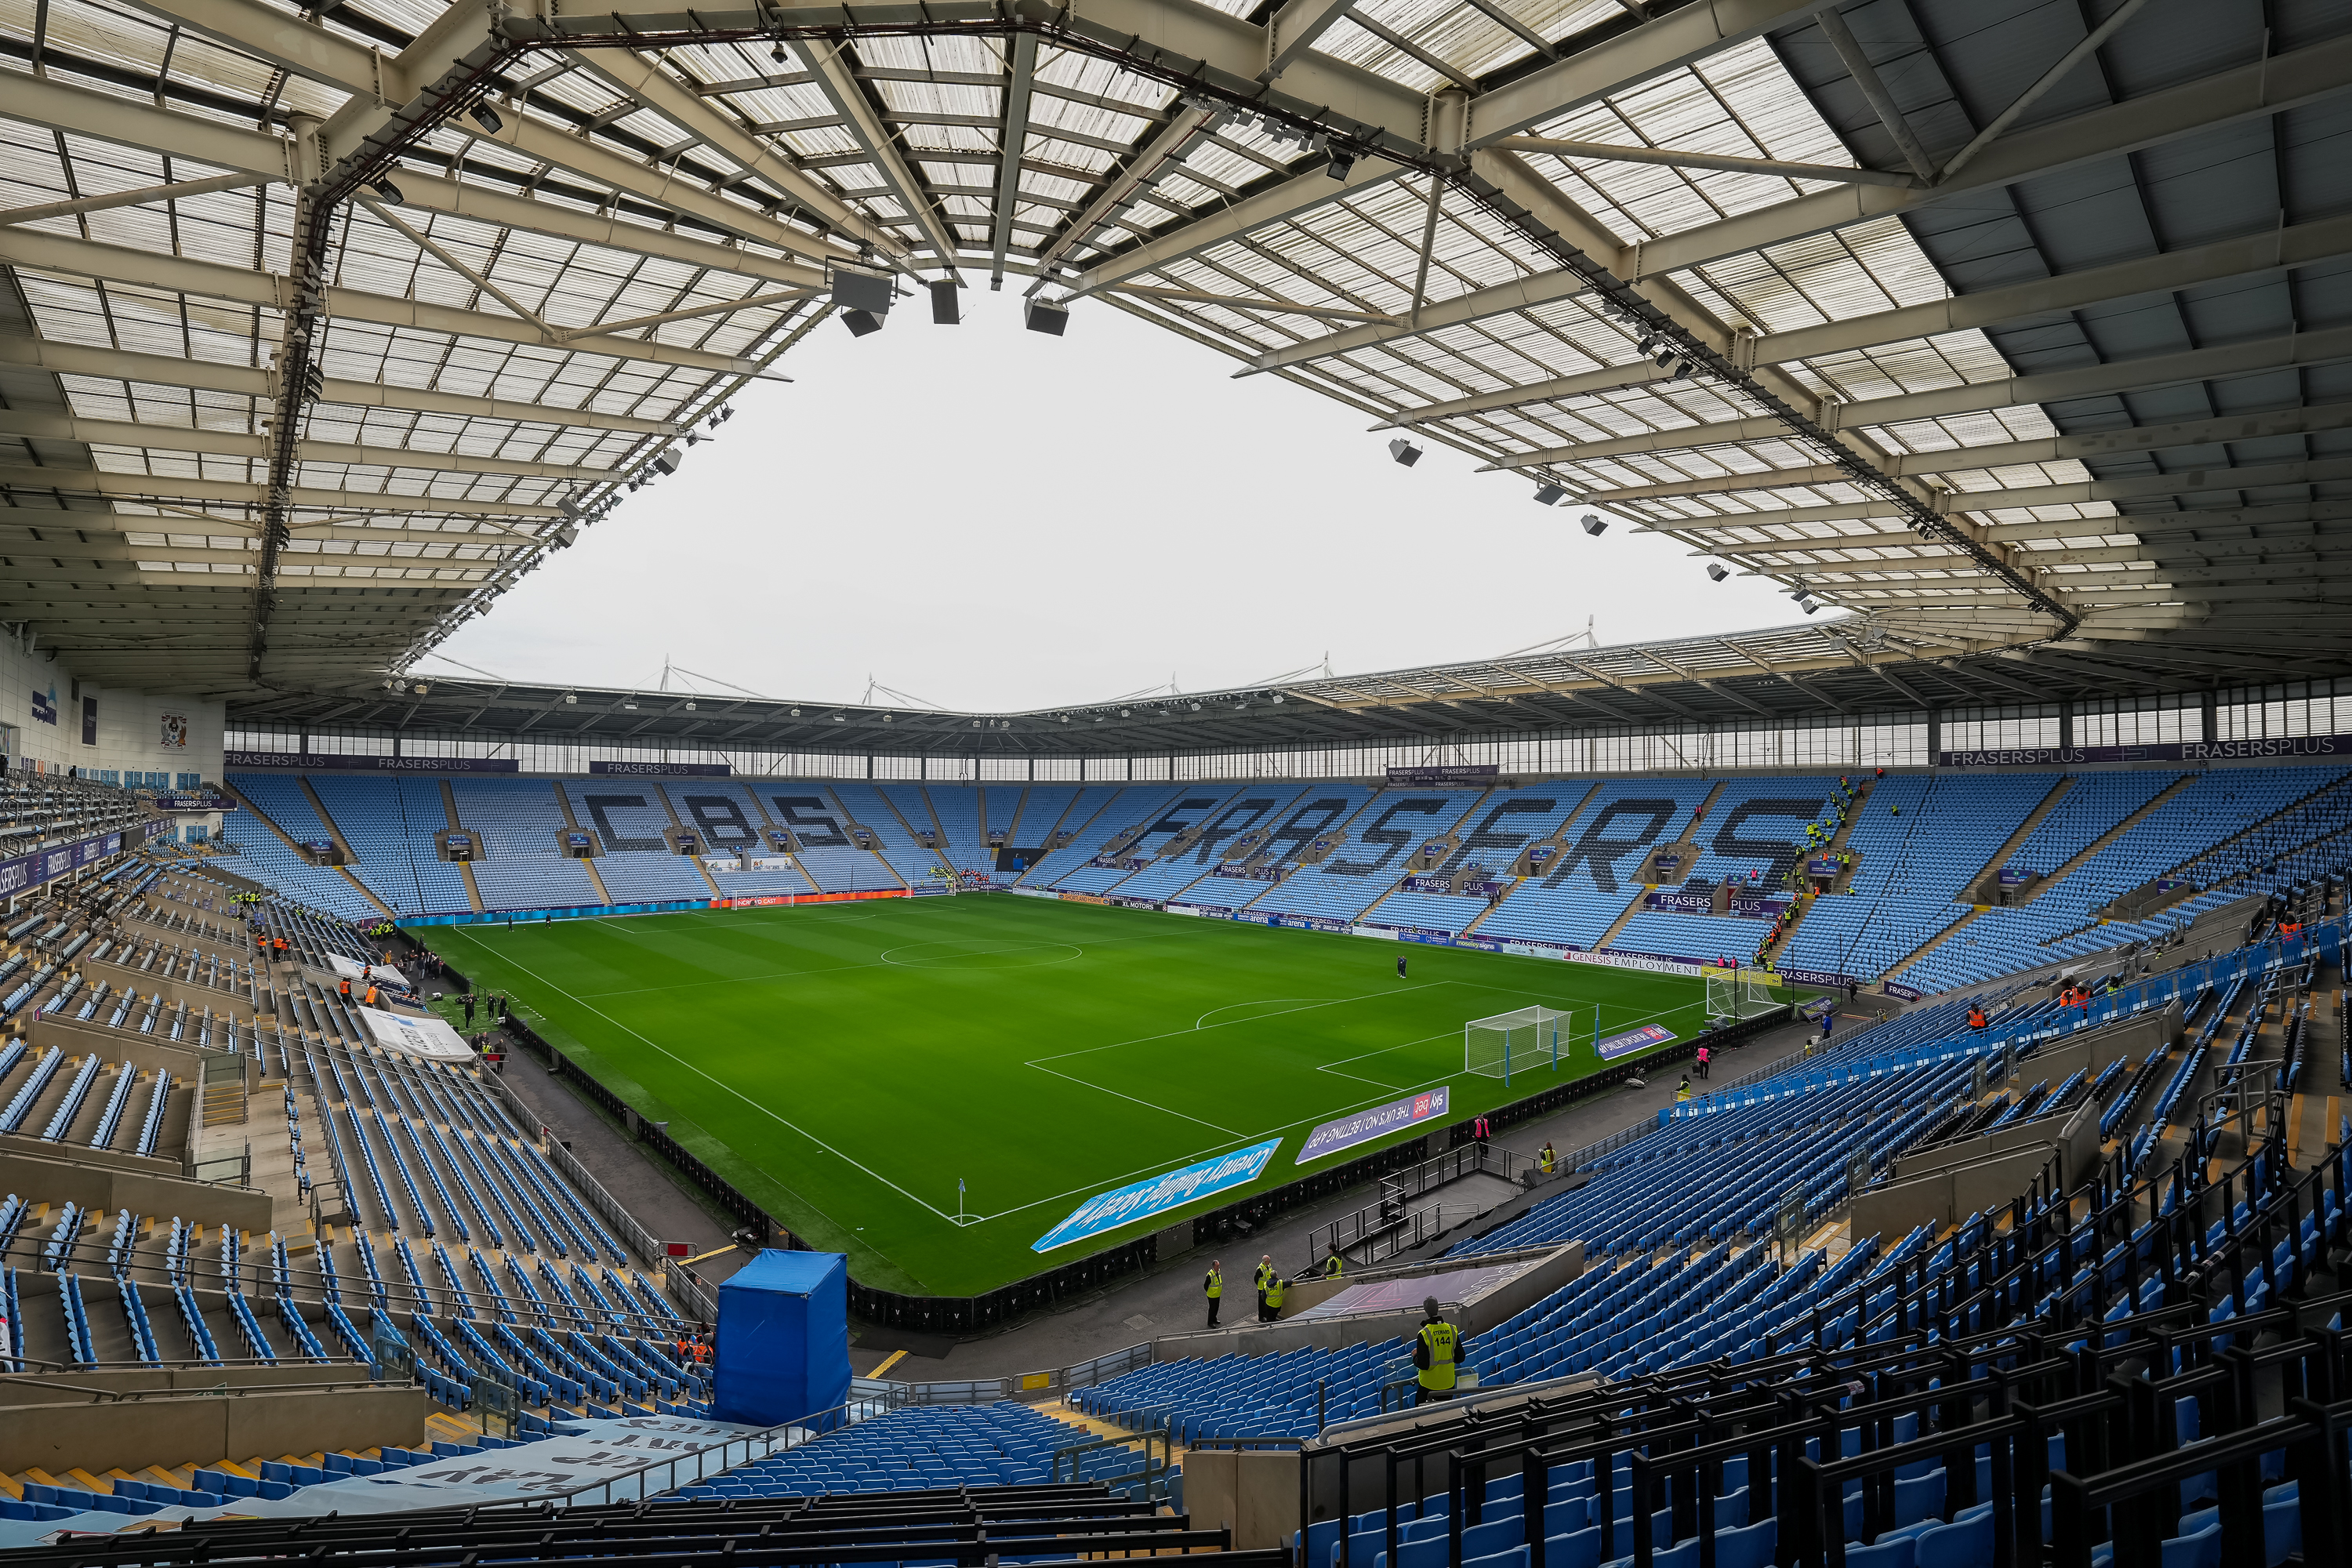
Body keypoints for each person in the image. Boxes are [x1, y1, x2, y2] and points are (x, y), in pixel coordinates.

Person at [1410, 1298, 1461, 1406]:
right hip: (1448, 1383)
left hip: (1429, 1385)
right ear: (1438, 1308)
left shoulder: (1424, 1333)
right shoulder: (1452, 1329)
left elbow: (1423, 1364)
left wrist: (1415, 1356)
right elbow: (1460, 1357)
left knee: (1421, 1414)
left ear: (1426, 1310)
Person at [1203, 1261, 1223, 1327]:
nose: (1218, 1267)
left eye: (1219, 1266)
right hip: (1212, 1295)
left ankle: (1214, 1319)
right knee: (1212, 1309)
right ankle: (1210, 1322)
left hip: (1217, 1294)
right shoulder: (1210, 1275)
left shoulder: (1218, 1272)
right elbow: (1205, 1285)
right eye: (1217, 1266)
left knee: (1216, 1308)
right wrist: (1209, 1291)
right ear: (1214, 1266)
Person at [1254, 1255, 1274, 1319]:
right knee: (1261, 1303)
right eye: (1269, 1261)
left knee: (1266, 1301)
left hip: (1267, 1287)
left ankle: (1265, 1314)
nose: (1270, 1262)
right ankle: (1261, 1317)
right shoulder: (1260, 1269)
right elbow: (1256, 1278)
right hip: (1262, 1288)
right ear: (1266, 1261)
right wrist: (1260, 1285)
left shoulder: (1269, 1265)